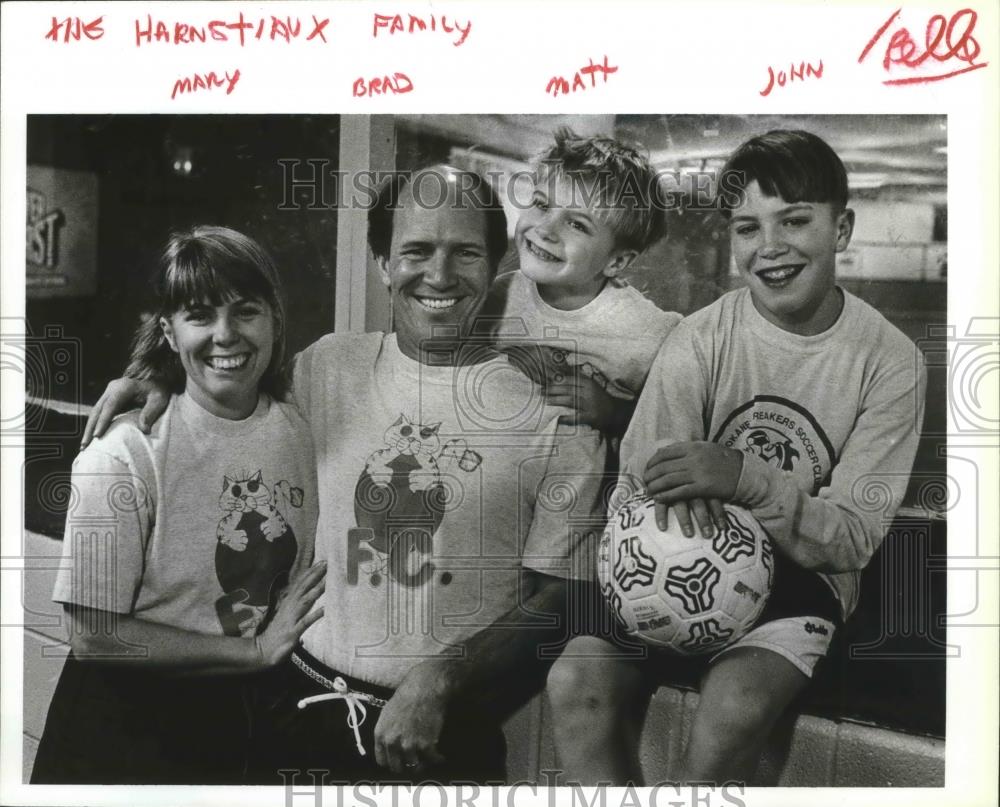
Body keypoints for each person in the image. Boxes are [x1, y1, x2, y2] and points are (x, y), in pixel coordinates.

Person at [81, 168, 608, 784]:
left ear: (497, 263)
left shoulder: (557, 411)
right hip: (292, 711)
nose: (438, 276)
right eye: (415, 250)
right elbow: (228, 375)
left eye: (464, 252)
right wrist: (160, 376)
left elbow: (566, 595)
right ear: (383, 262)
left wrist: (442, 679)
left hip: (440, 738)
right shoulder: (328, 366)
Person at [544, 130, 927, 784]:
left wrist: (744, 478)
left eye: (795, 220)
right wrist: (674, 491)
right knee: (575, 680)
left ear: (842, 227)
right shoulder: (699, 338)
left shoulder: (892, 362)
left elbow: (853, 536)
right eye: (748, 227)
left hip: (800, 577)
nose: (770, 246)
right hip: (671, 556)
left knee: (735, 708)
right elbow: (642, 475)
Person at [31, 226, 325, 784]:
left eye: (245, 311)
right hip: (125, 726)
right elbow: (93, 634)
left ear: (275, 320)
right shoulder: (122, 454)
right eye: (199, 315)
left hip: (250, 718)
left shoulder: (306, 426)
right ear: (168, 331)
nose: (225, 335)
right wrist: (258, 652)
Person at [477, 128, 681, 434]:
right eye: (543, 205)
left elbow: (678, 421)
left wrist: (614, 412)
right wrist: (503, 358)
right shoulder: (495, 296)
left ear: (617, 262)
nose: (545, 229)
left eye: (576, 224)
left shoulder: (650, 332)